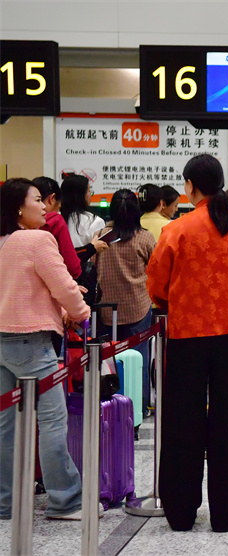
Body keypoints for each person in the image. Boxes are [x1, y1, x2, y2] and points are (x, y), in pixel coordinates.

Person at [146, 154, 228, 532]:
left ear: (190, 186)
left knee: (182, 420)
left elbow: (156, 284)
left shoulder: (177, 230)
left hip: (187, 335)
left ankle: (181, 511)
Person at [0, 178, 91, 520]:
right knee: (52, 421)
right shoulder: (38, 240)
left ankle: (5, 503)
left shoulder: (3, 241)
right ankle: (65, 500)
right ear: (19, 208)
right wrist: (79, 312)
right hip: (33, 344)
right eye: (37, 200)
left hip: (2, 340)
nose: (45, 206)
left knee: (4, 426)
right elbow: (63, 284)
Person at [96, 189, 156, 410]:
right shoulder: (145, 237)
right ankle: (136, 408)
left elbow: (93, 263)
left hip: (106, 310)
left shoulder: (102, 236)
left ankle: (109, 406)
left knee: (109, 360)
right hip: (137, 307)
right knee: (136, 361)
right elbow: (157, 269)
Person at [34, 176, 81, 280]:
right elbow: (73, 268)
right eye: (58, 208)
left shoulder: (17, 222)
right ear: (52, 198)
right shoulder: (55, 220)